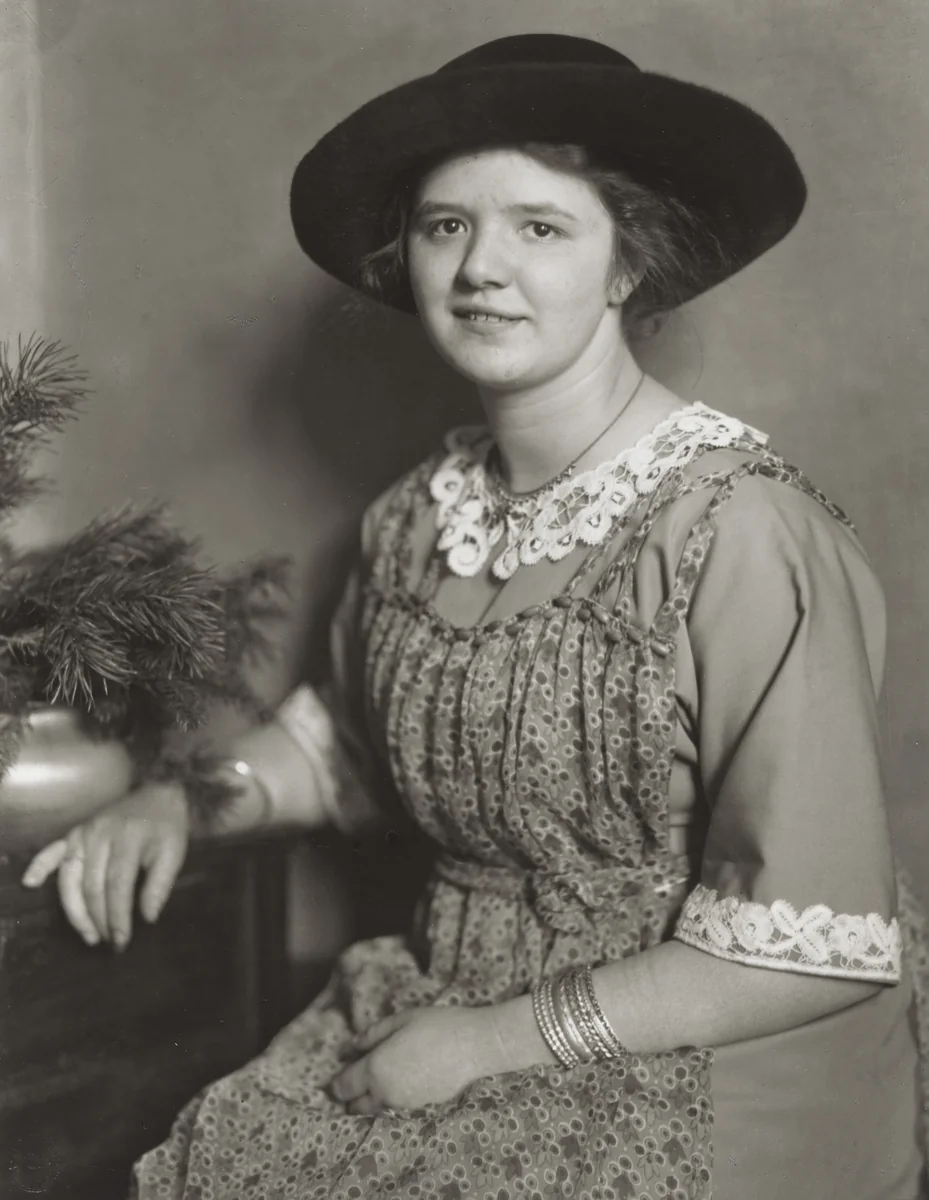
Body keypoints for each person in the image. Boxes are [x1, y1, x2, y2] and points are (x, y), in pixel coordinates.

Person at [22, 32, 929, 1200]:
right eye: (446, 225)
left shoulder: (738, 530)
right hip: (451, 1002)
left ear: (624, 265)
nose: (479, 269)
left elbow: (815, 943)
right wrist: (177, 805)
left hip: (707, 1051)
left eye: (539, 227)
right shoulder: (416, 520)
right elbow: (337, 747)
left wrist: (490, 1042)